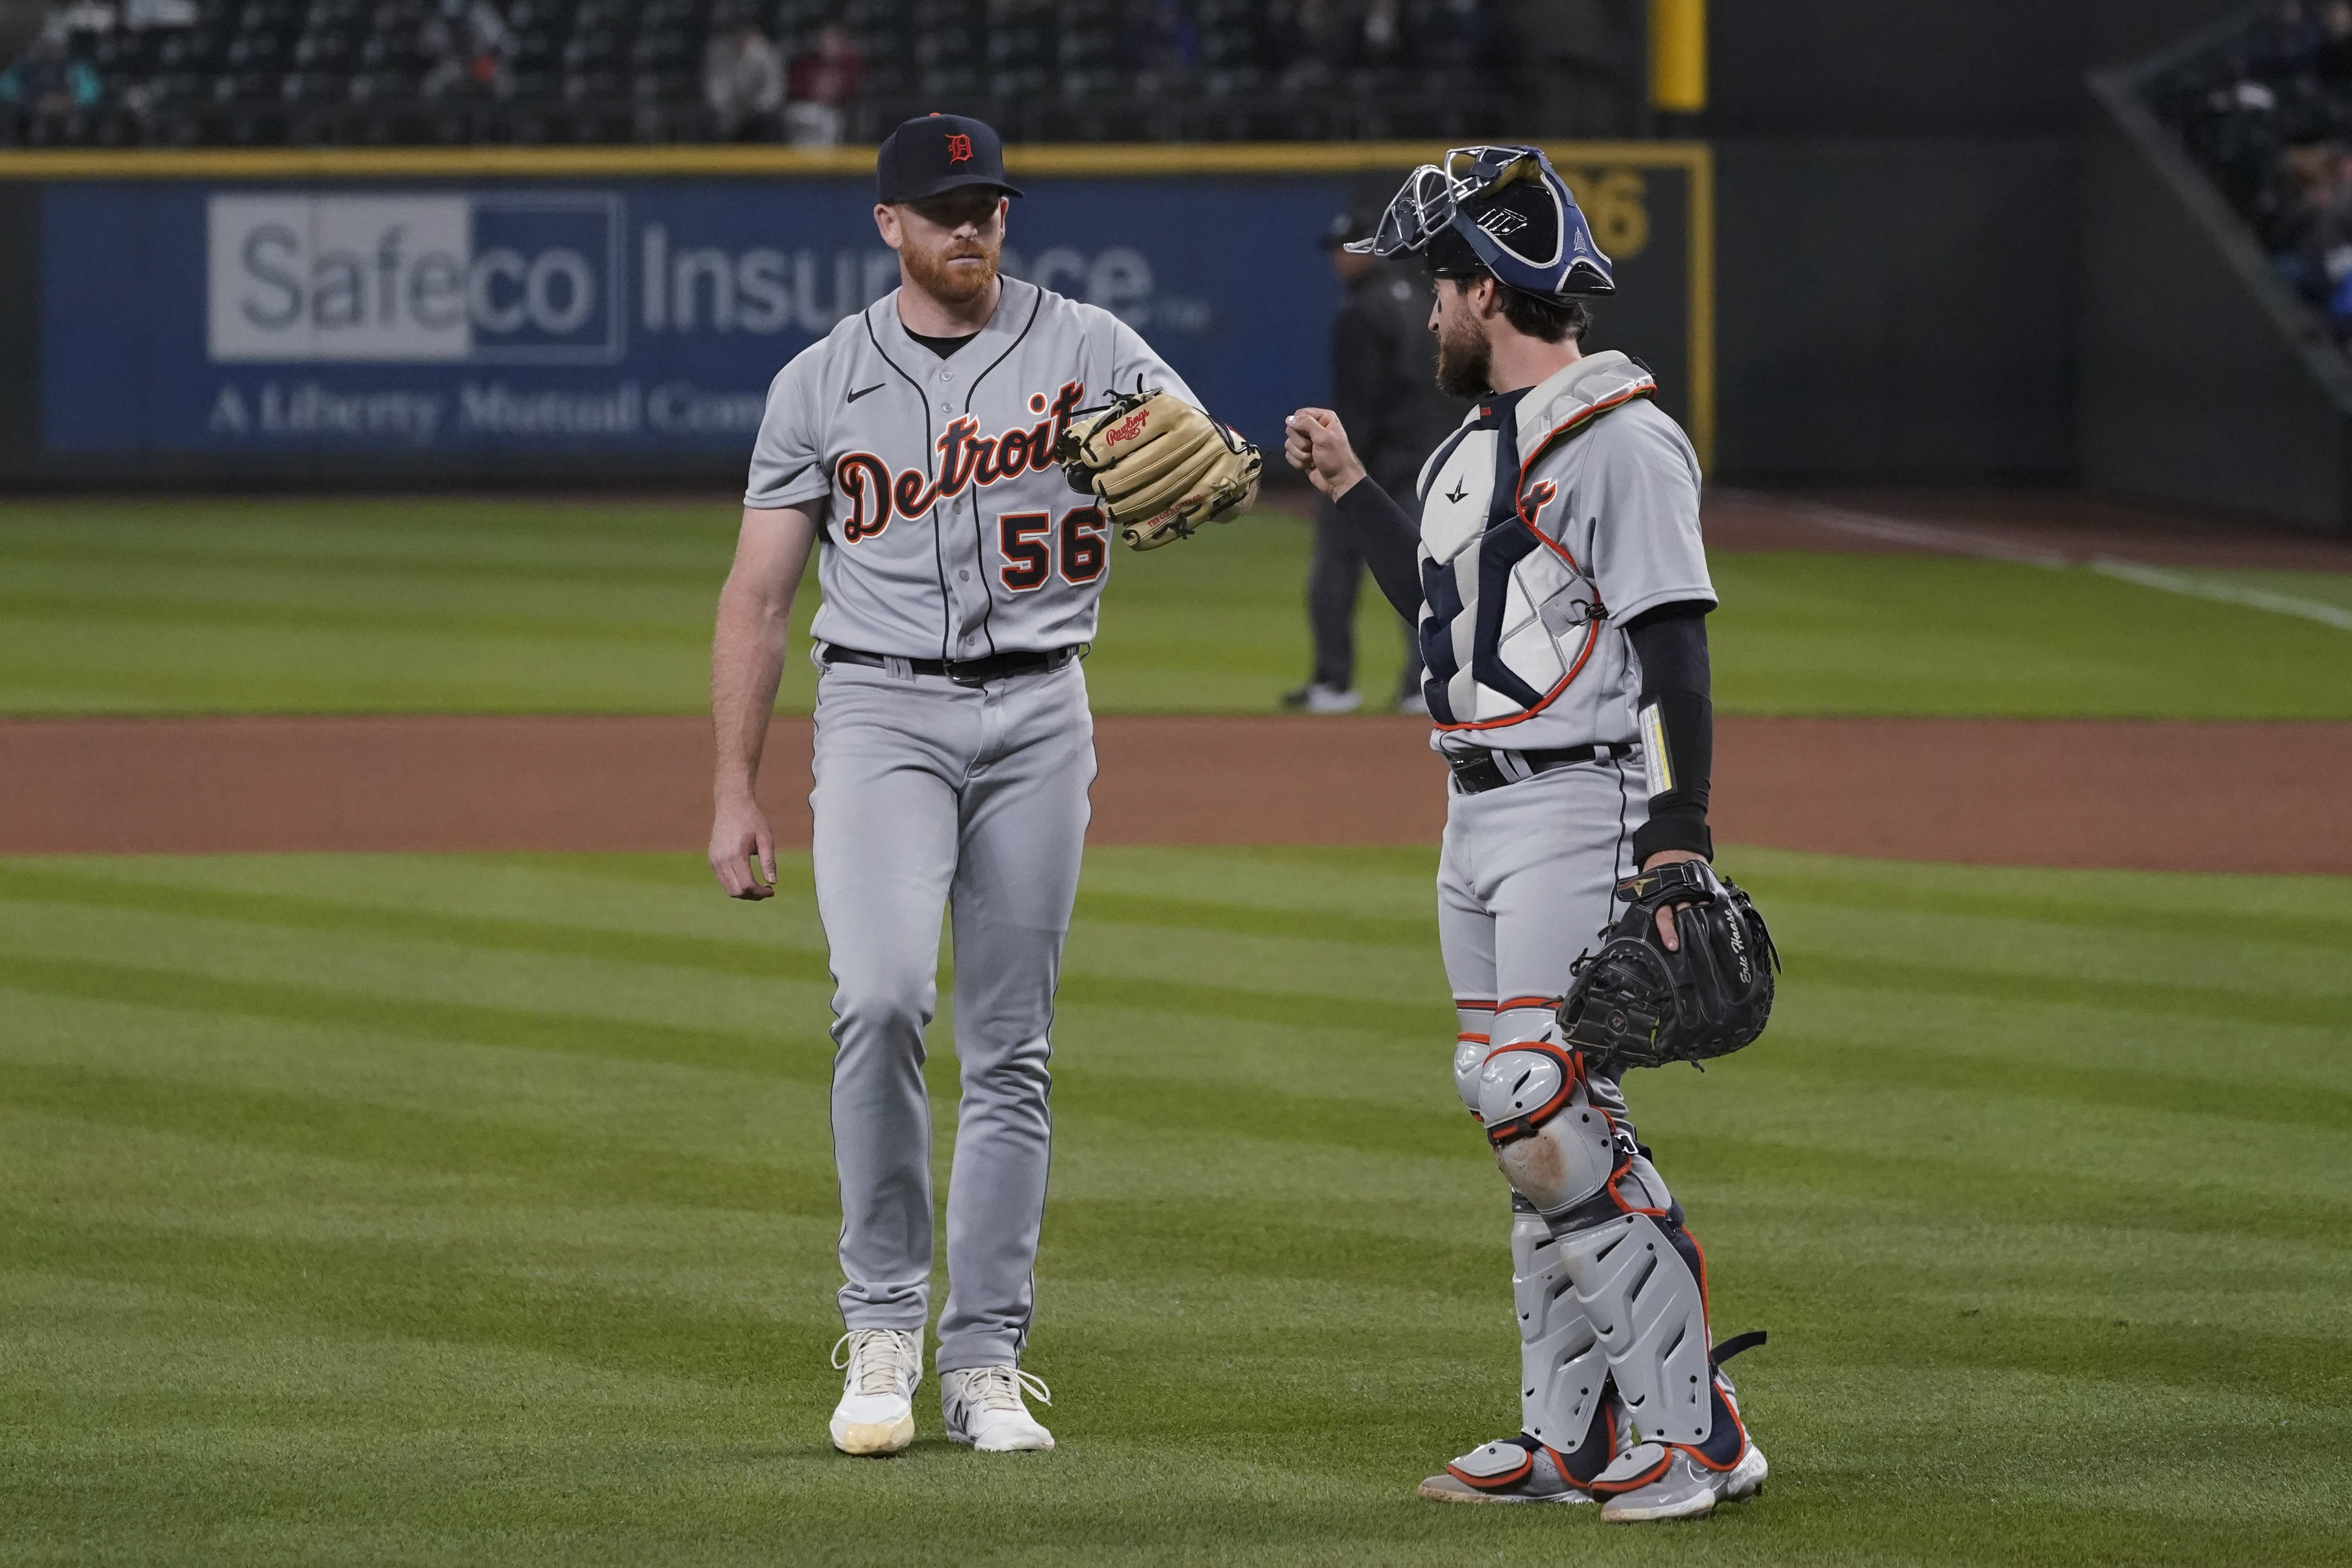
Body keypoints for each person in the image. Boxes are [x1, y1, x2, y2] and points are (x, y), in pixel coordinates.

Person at [710, 113, 1213, 1459]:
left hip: (1043, 706)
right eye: (944, 208)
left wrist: (1200, 478)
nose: (972, 226)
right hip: (878, 704)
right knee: (877, 997)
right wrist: (732, 790)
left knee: (1012, 1047)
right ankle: (879, 1321)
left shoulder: (1092, 343)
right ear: (889, 225)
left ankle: (983, 1359)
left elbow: (1206, 462)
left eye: (987, 202)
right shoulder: (820, 381)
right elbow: (758, 598)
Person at [1284, 145, 1768, 1522]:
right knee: (1516, 1110)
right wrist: (1346, 491)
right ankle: (1566, 1433)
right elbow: (1450, 626)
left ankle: (1694, 1429)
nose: (1423, 314)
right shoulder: (1467, 450)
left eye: (1437, 289)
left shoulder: (1617, 437)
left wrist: (1678, 827)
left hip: (1580, 797)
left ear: (1487, 293)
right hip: (1474, 803)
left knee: (1535, 1099)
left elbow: (1674, 649)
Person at [1282, 206, 1467, 716]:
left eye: (1346, 249)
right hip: (1422, 457)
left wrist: (1340, 470)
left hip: (1371, 465)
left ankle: (1334, 683)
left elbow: (1358, 401)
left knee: (1333, 578)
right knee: (1420, 573)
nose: (1338, 260)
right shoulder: (1416, 300)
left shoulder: (1360, 311)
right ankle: (1421, 683)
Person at [703, 18, 784, 141]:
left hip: (758, 109)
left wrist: (757, 108)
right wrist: (726, 108)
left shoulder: (767, 53)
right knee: (705, 117)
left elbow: (773, 90)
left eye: (747, 34)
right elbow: (715, 86)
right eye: (739, 34)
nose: (742, 38)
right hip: (729, 109)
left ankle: (764, 159)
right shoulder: (719, 52)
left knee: (770, 119)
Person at [784, 23, 861, 148]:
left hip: (834, 111)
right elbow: (795, 89)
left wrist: (833, 95)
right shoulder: (807, 62)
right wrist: (814, 92)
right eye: (824, 41)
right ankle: (798, 163)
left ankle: (825, 164)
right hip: (807, 107)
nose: (827, 45)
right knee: (798, 117)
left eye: (832, 42)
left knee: (828, 122)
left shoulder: (849, 64)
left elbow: (853, 91)